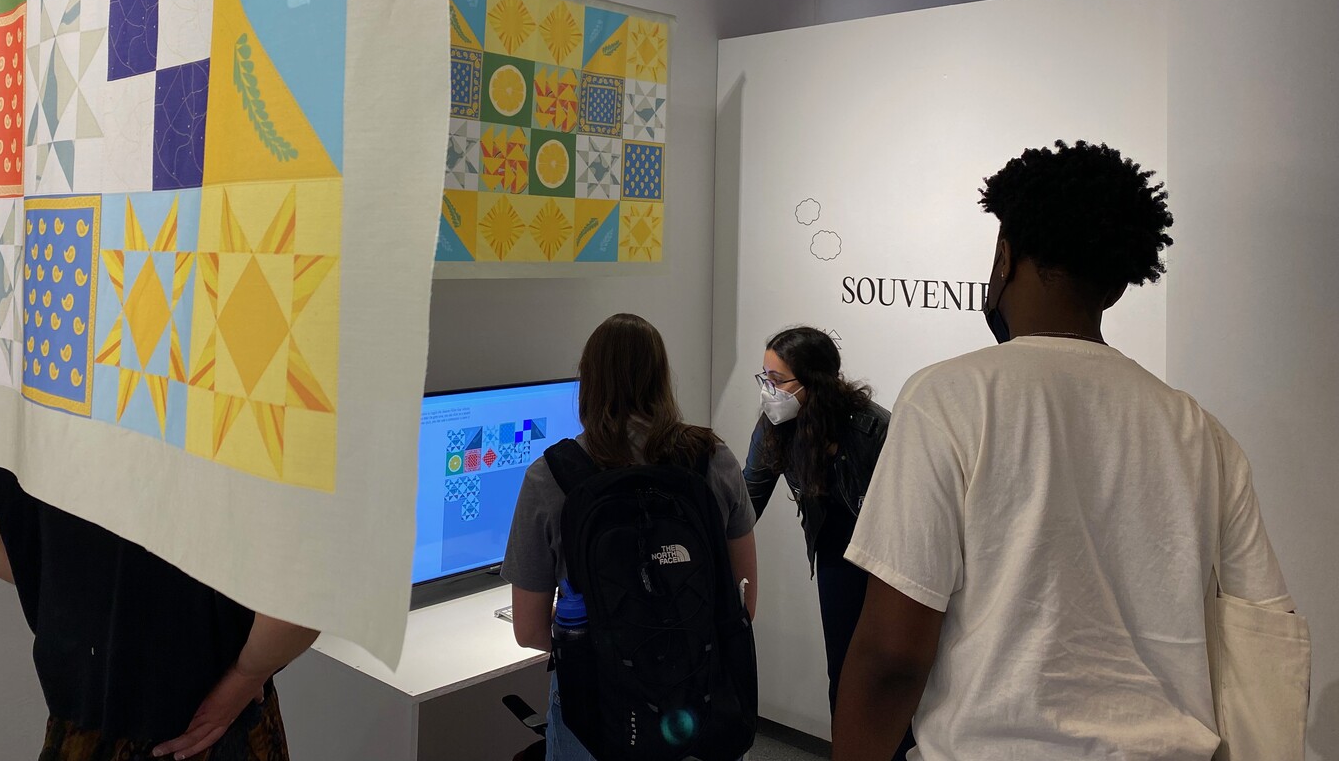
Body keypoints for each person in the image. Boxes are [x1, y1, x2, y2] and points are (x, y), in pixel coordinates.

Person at [833, 140, 1295, 761]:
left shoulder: (948, 398)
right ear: (1117, 284)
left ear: (1006, 255)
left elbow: (893, 653)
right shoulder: (1200, 432)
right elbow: (1267, 636)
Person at [501, 312, 759, 761]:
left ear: (588, 383)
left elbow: (528, 630)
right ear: (663, 378)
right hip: (702, 694)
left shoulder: (551, 476)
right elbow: (743, 602)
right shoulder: (712, 458)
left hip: (596, 708)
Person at [0, 467, 318, 761]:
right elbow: (302, 602)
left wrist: (63, 594)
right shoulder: (228, 454)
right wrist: (245, 675)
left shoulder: (55, 446)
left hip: (80, 733)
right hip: (203, 730)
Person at [742, 325, 913, 761]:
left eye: (777, 381)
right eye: (765, 377)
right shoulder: (774, 426)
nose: (769, 391)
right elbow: (743, 507)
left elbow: (909, 521)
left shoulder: (874, 432)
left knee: (891, 673)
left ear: (814, 383)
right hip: (835, 556)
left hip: (890, 565)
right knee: (844, 674)